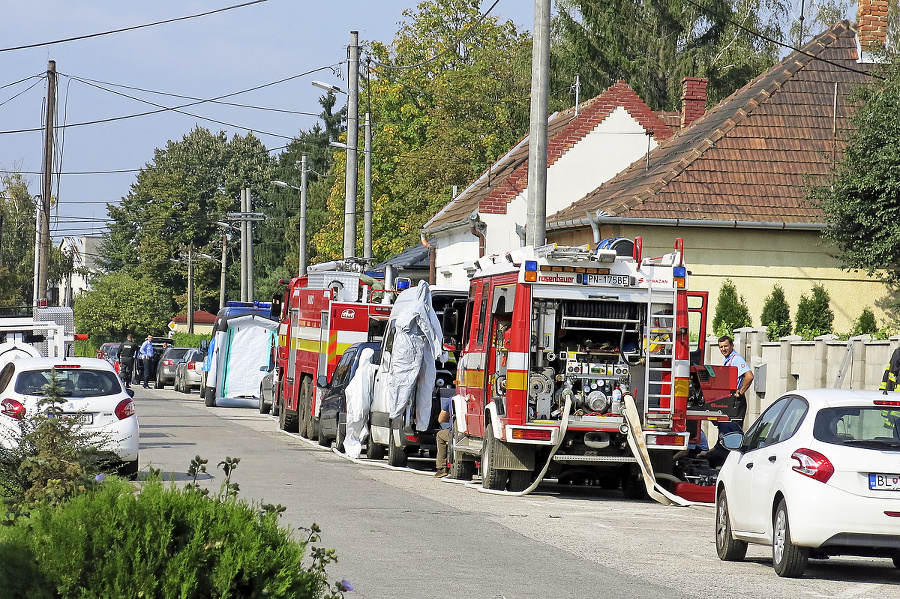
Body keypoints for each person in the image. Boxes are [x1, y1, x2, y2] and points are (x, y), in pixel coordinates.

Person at [705, 335, 754, 468]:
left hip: (736, 401)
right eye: (721, 347)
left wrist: (740, 392)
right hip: (729, 400)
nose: (723, 349)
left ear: (731, 345)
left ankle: (731, 461)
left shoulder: (736, 359)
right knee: (722, 426)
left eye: (725, 346)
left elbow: (749, 376)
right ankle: (719, 453)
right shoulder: (727, 360)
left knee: (732, 431)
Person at [434, 395, 453, 478]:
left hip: (456, 433)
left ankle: (442, 468)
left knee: (440, 435)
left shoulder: (452, 398)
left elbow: (441, 419)